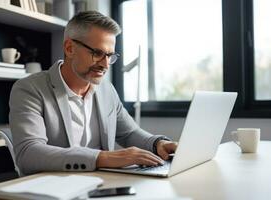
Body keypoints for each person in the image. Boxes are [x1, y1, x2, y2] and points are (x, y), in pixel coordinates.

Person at [9, 11, 177, 175]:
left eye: (110, 55)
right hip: (53, 187)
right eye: (97, 53)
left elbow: (129, 133)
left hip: (103, 184)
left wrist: (157, 144)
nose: (105, 64)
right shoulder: (29, 89)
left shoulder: (106, 90)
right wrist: (103, 157)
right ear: (69, 48)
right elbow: (29, 153)